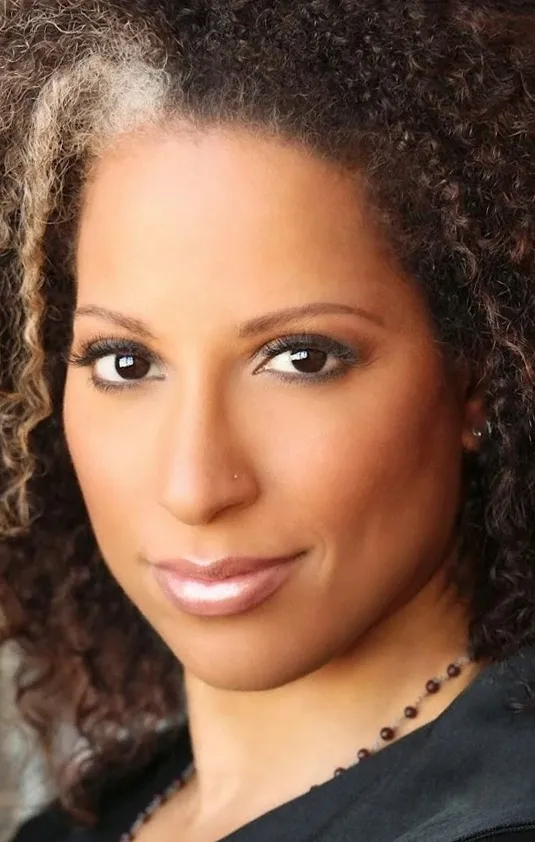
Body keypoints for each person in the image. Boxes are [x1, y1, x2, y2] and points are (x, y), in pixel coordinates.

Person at [3, 0, 535, 840]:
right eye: (125, 363)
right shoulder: (80, 825)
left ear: (477, 373)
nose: (194, 487)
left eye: (301, 359)